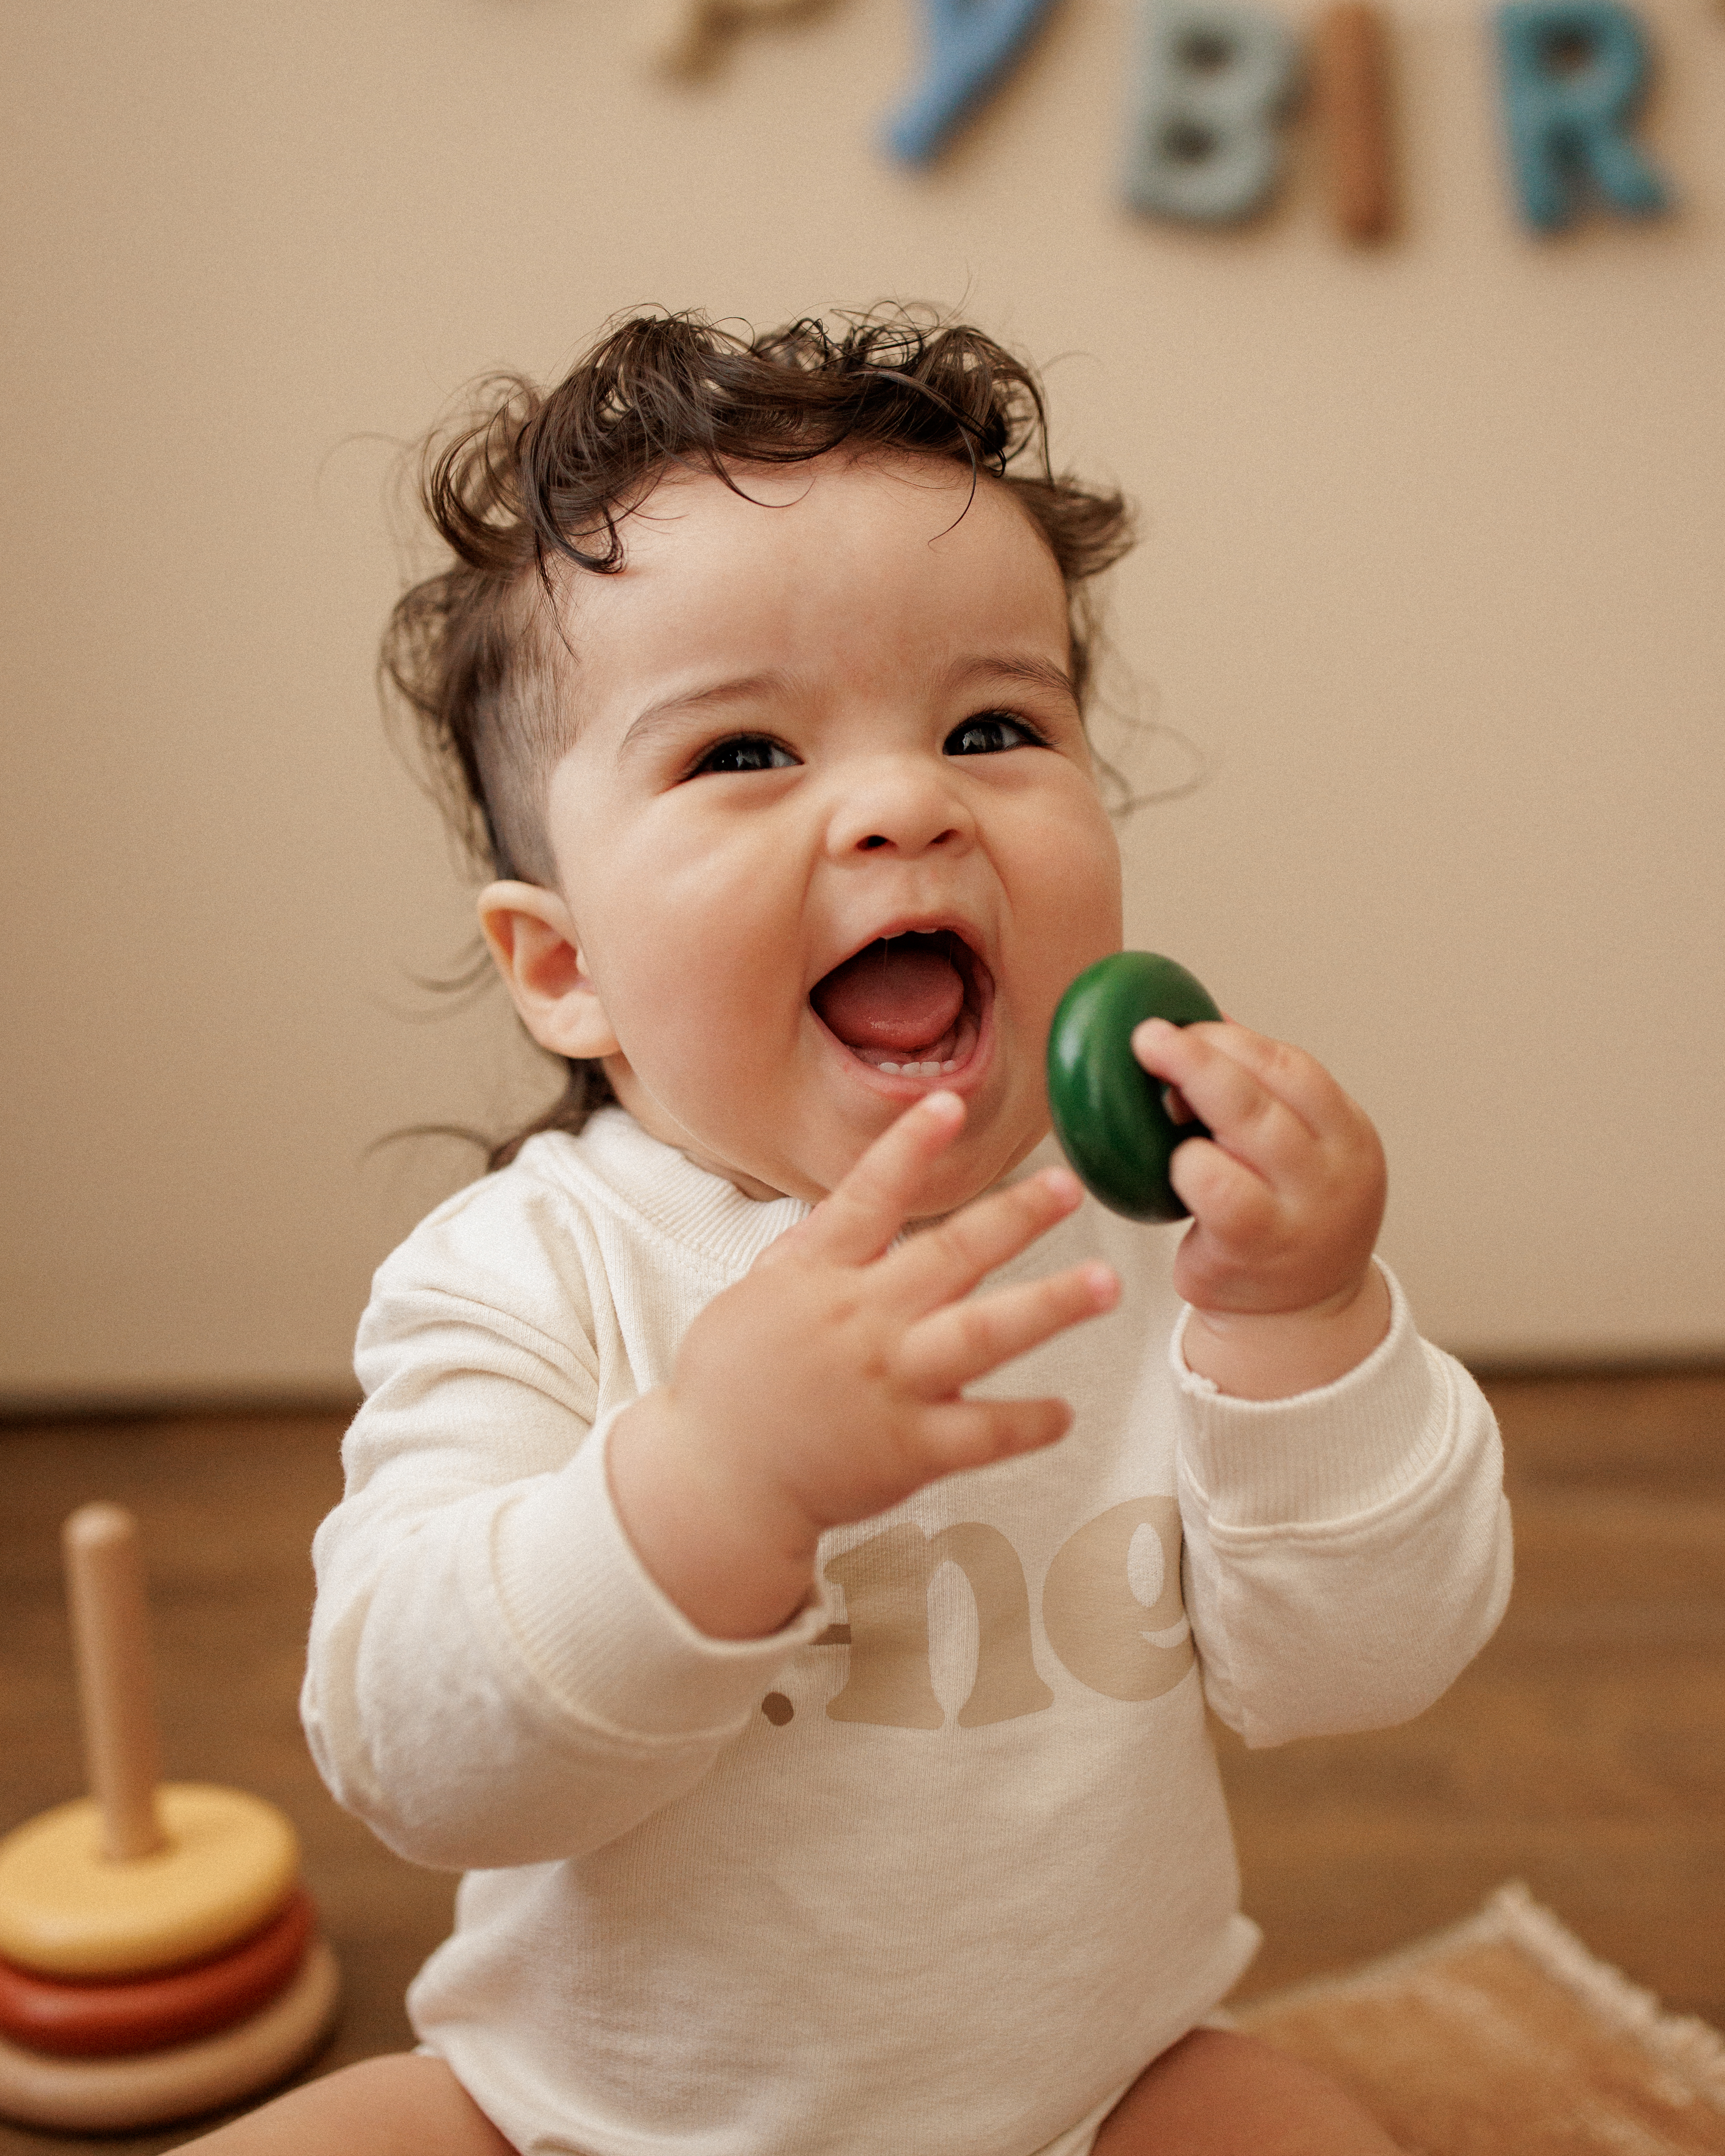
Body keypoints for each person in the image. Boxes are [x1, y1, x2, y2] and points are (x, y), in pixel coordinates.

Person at [181, 311, 1511, 2155]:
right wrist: (709, 1481)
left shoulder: (1157, 1236)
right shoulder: (526, 1279)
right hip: (577, 2117)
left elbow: (1361, 1668)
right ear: (564, 970)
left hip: (1083, 2095)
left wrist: (1309, 1322)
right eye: (741, 752)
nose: (906, 801)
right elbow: (418, 1756)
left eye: (991, 725)